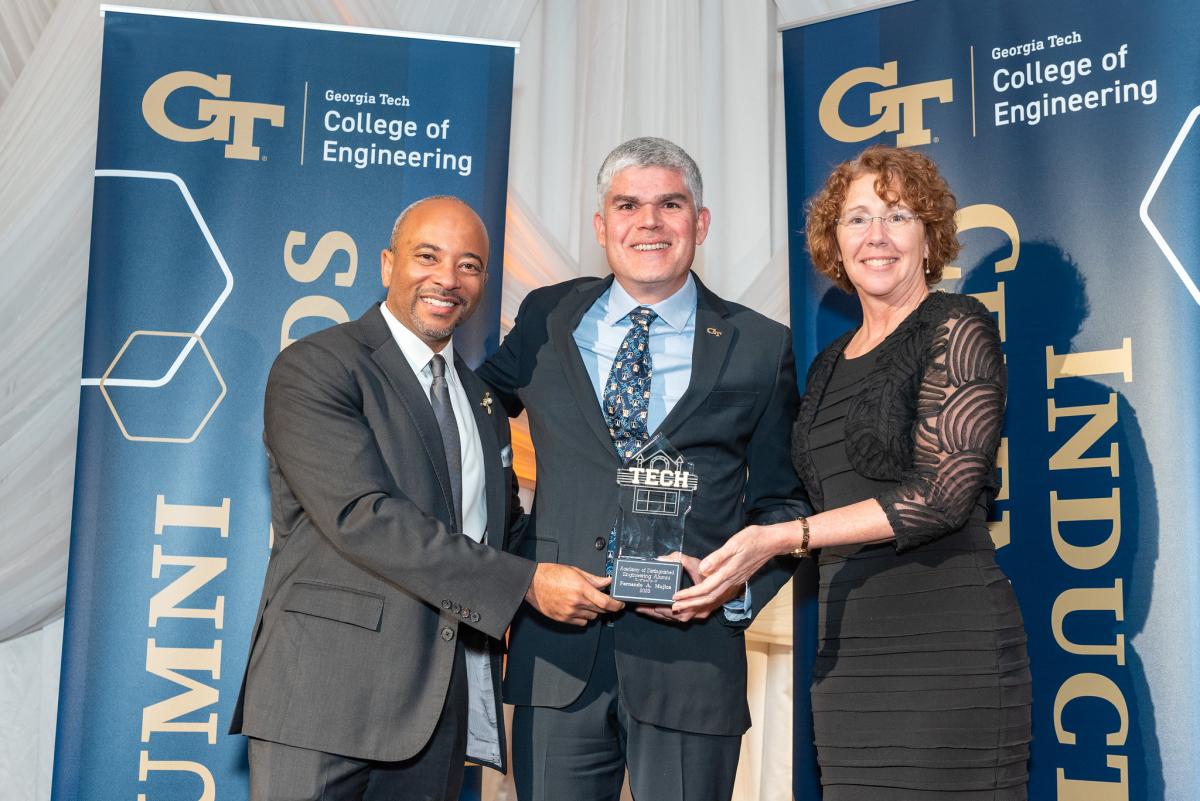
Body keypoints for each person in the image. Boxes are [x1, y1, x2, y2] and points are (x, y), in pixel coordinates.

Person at [230, 196, 621, 801]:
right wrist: (526, 583)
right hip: (322, 700)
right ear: (388, 263)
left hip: (437, 710)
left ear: (484, 282)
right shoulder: (317, 366)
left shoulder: (483, 402)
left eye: (468, 265)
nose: (448, 279)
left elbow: (501, 531)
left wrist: (613, 552)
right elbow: (364, 517)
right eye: (427, 257)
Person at [676, 145, 1032, 799]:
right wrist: (721, 561)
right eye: (857, 218)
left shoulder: (958, 326)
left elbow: (942, 495)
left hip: (948, 651)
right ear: (834, 245)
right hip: (849, 662)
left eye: (897, 216)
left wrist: (783, 537)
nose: (876, 236)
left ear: (929, 237)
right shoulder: (828, 364)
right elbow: (797, 498)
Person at [477, 137, 806, 801]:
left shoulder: (761, 346)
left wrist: (731, 590)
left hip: (693, 662)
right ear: (602, 226)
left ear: (700, 222)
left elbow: (784, 503)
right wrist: (519, 563)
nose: (649, 221)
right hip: (558, 654)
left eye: (670, 204)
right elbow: (471, 422)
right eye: (628, 204)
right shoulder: (547, 317)